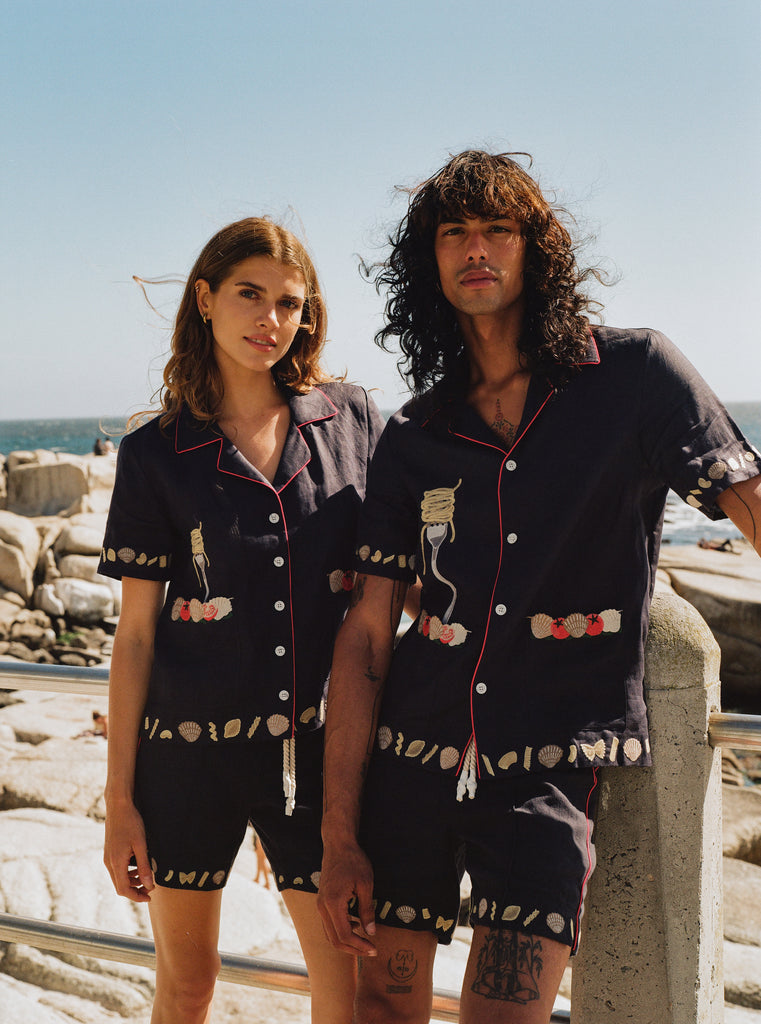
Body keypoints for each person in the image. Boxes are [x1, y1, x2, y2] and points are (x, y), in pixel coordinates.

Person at [316, 151, 761, 1024]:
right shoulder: (415, 435)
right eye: (453, 233)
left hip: (548, 772)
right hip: (408, 761)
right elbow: (368, 634)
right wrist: (337, 832)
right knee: (380, 1012)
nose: (474, 248)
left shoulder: (634, 376)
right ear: (429, 263)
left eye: (497, 229)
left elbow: (747, 503)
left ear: (537, 249)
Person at [99, 217, 385, 1024]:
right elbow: (137, 638)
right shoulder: (156, 453)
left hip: (319, 763)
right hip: (186, 762)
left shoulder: (351, 421)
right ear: (204, 300)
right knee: (187, 986)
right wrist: (118, 801)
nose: (270, 320)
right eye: (249, 296)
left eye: (289, 303)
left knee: (348, 990)